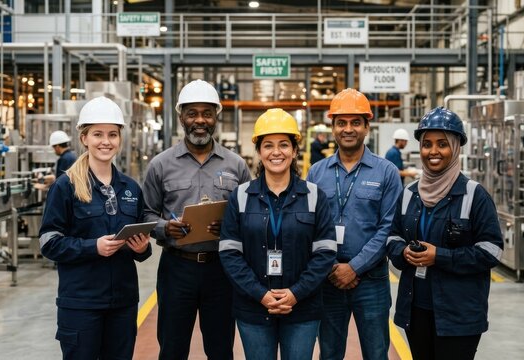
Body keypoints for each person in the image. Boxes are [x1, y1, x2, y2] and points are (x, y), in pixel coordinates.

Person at [142, 79, 251, 360]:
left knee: (220, 348)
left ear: (216, 116)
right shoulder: (161, 165)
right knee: (172, 347)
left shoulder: (236, 165)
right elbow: (145, 214)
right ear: (181, 117)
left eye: (206, 113)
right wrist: (166, 228)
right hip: (177, 269)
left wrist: (229, 228)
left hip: (222, 271)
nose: (199, 120)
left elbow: (250, 214)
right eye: (192, 113)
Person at [39, 96, 152, 359]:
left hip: (123, 303)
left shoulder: (131, 188)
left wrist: (142, 249)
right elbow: (48, 241)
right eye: (97, 134)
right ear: (84, 138)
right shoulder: (65, 186)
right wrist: (94, 247)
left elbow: (140, 250)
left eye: (113, 134)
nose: (106, 141)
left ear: (120, 139)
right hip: (81, 304)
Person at [386, 107, 503, 360]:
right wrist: (402, 251)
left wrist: (439, 256)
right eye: (427, 144)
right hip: (416, 310)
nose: (433, 151)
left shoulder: (474, 195)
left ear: (456, 147)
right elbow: (393, 236)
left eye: (442, 144)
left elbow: (491, 251)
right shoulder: (410, 193)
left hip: (458, 314)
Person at [219, 108, 337, 360]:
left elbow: (325, 253)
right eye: (268, 145)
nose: (276, 152)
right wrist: (260, 294)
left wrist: (296, 293)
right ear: (259, 152)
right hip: (254, 307)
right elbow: (230, 254)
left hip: (302, 308)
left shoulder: (315, 196)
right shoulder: (240, 197)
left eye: (284, 145)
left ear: (294, 151)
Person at [307, 88, 402, 360]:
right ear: (333, 126)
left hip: (371, 281)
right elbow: (311, 226)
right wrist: (332, 267)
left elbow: (388, 228)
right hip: (328, 278)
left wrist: (354, 267)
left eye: (355, 122)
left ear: (367, 126)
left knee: (375, 353)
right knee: (329, 353)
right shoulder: (317, 172)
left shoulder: (386, 172)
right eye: (341, 122)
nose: (348, 129)